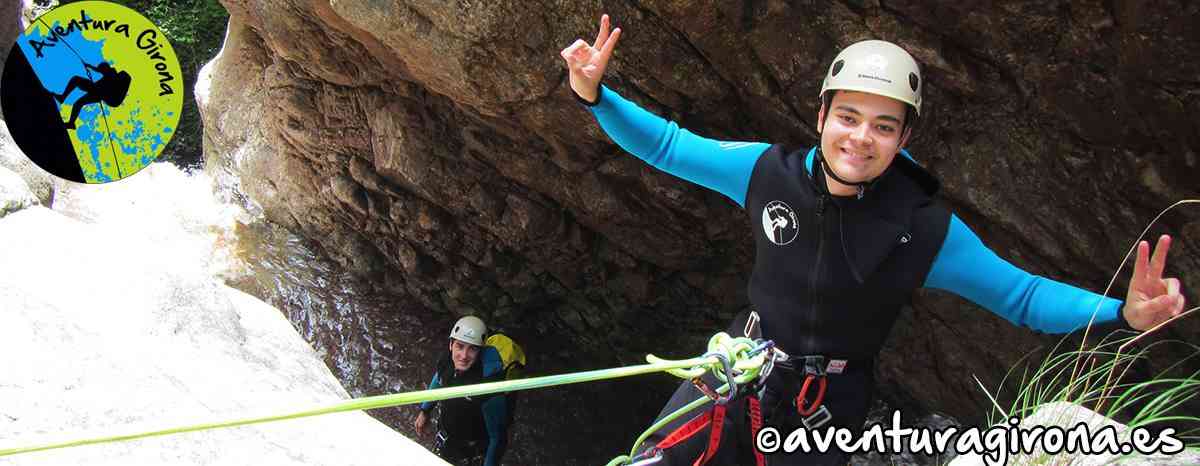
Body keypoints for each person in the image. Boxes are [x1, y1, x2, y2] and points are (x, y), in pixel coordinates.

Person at [560, 14, 1188, 466]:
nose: (861, 138)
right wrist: (595, 94)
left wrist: (1122, 313)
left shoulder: (923, 229)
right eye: (849, 117)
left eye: (884, 127)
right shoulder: (764, 172)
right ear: (822, 118)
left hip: (821, 410)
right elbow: (668, 146)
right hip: (734, 369)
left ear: (903, 140)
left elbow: (1020, 297)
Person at [414, 316, 510, 466]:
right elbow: (438, 380)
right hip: (448, 436)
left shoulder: (488, 386)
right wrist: (425, 410)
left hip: (472, 449)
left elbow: (497, 437)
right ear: (451, 345)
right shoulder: (447, 362)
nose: (464, 356)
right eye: (460, 346)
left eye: (472, 348)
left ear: (480, 352)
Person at [53, 61, 131, 130]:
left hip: (100, 93)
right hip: (100, 94)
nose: (101, 72)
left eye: (102, 70)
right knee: (78, 103)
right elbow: (101, 71)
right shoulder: (108, 77)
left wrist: (90, 66)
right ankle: (71, 123)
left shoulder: (112, 74)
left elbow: (101, 70)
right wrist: (89, 66)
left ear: (105, 68)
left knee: (75, 79)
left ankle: (62, 98)